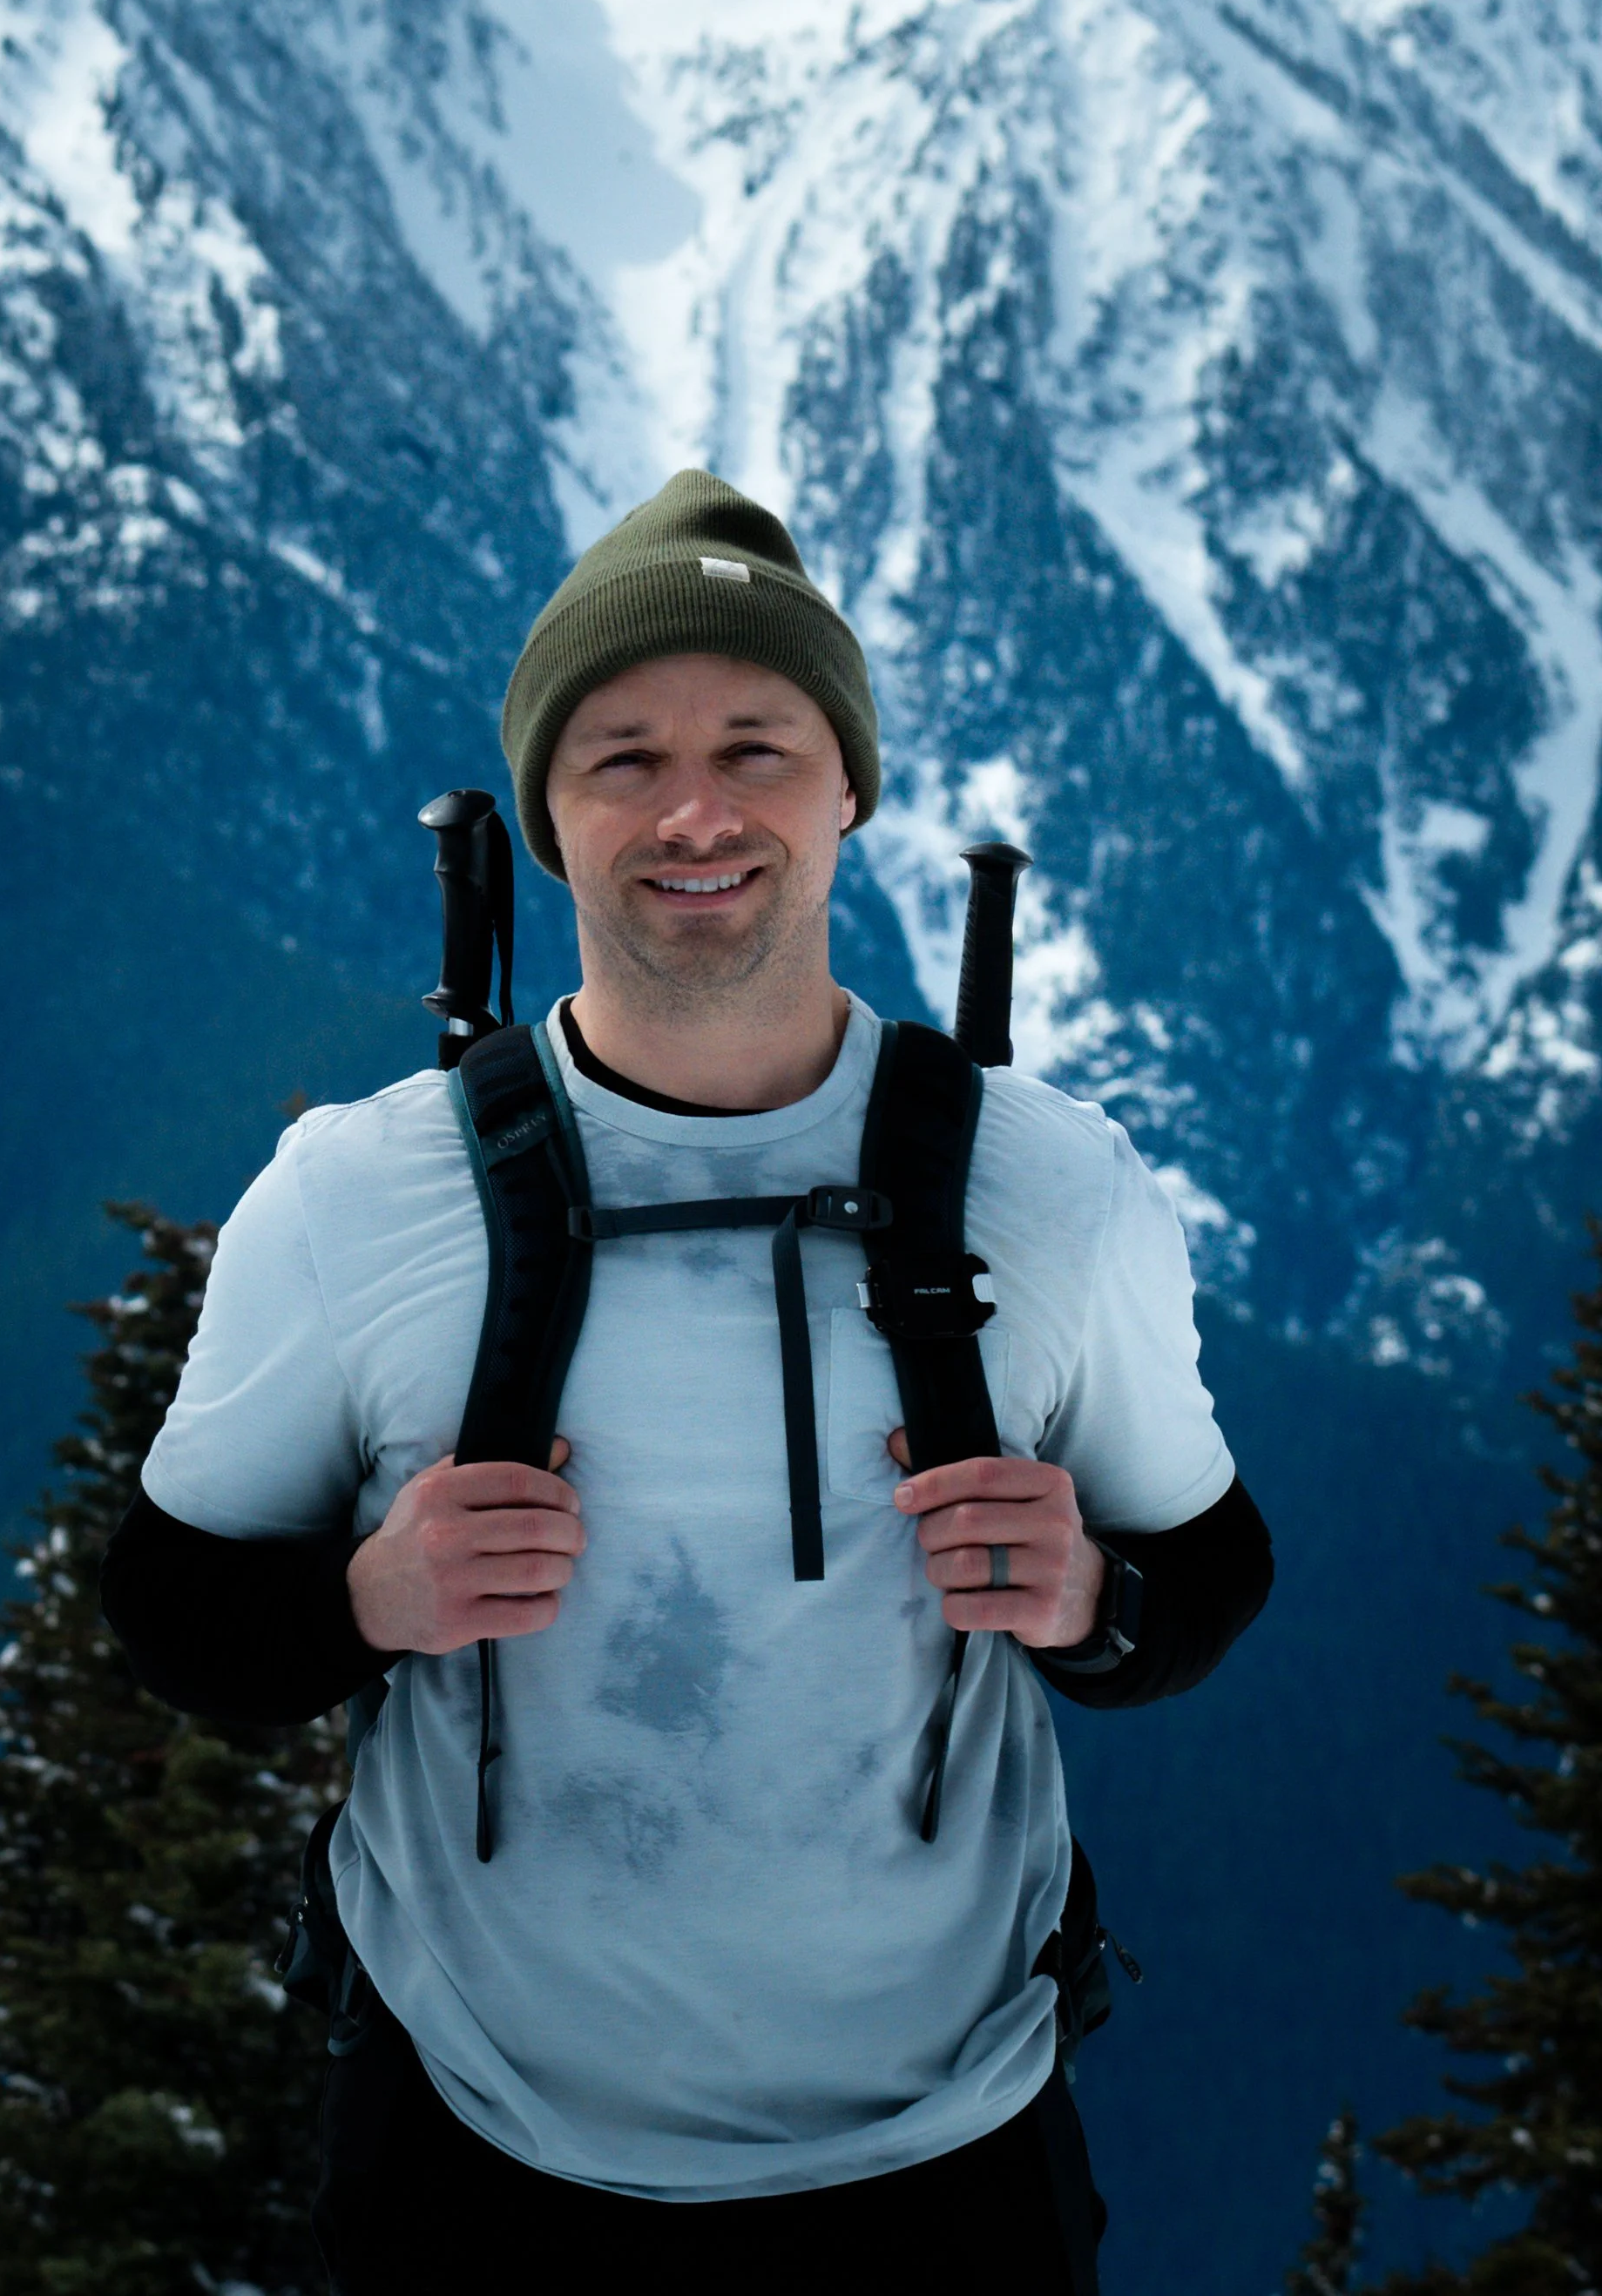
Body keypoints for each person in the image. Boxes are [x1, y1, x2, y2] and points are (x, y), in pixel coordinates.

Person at [103, 469, 1273, 2291]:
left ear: (848, 789)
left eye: (759, 745)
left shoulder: (1055, 1186)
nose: (697, 810)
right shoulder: (356, 1193)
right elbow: (171, 1604)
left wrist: (1094, 1598)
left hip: (940, 2166)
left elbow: (1206, 1571)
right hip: (476, 2159)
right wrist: (363, 1601)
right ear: (551, 820)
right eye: (623, 755)